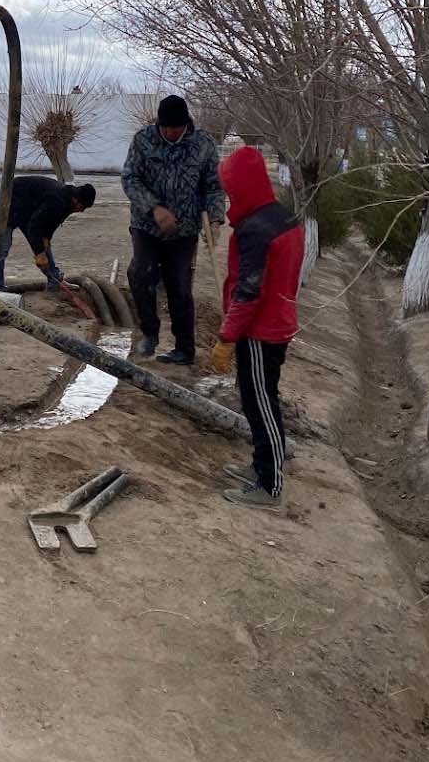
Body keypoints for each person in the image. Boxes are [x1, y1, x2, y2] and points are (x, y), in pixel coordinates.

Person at [209, 145, 305, 510]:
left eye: (231, 189)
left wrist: (226, 338)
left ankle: (269, 485)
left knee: (261, 403)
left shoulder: (255, 230)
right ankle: (260, 465)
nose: (229, 197)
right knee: (258, 399)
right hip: (277, 321)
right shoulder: (280, 216)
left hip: (260, 331)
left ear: (243, 186)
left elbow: (249, 292)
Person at [121, 95, 225, 363]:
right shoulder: (143, 140)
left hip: (184, 230)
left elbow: (213, 186)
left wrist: (215, 220)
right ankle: (149, 333)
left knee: (179, 285)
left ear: (185, 124)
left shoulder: (202, 145)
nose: (170, 133)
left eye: (175, 128)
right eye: (165, 127)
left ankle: (184, 349)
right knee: (140, 273)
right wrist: (154, 208)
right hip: (146, 226)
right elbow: (130, 179)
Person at [0, 175, 97, 289]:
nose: (82, 211)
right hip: (6, 200)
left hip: (27, 208)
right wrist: (39, 254)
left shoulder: (68, 203)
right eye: (83, 207)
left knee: (44, 244)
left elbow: (51, 225)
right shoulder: (57, 201)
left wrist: (45, 240)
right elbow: (34, 228)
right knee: (2, 247)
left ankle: (55, 280)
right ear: (76, 200)